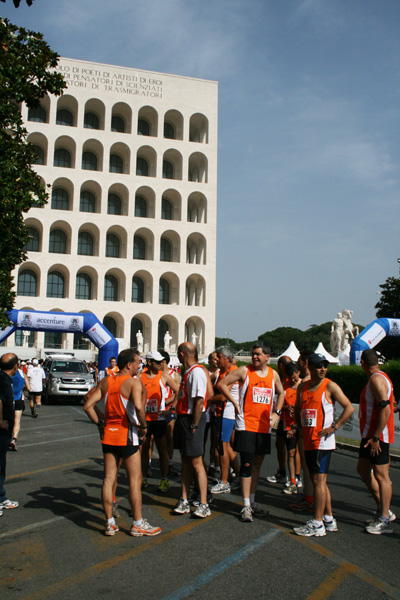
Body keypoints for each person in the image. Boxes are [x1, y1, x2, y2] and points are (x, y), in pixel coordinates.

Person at [83, 348, 161, 537]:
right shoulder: (133, 382)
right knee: (135, 480)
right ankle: (137, 523)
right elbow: (140, 408)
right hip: (127, 434)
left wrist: (101, 423)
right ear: (129, 365)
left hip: (109, 435)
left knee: (109, 479)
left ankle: (110, 523)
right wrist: (143, 426)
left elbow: (87, 405)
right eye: (137, 363)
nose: (139, 366)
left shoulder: (106, 381)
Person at [218, 343, 285, 522]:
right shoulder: (244, 371)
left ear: (267, 357)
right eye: (253, 354)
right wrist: (235, 402)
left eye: (258, 354)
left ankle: (252, 501)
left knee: (257, 465)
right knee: (246, 465)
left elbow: (282, 393)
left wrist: (276, 412)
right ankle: (246, 506)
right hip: (246, 425)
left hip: (264, 427)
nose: (254, 357)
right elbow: (222, 384)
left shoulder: (273, 375)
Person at [291, 353, 354, 537]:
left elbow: (348, 407)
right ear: (310, 367)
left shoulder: (330, 385)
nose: (323, 369)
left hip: (322, 442)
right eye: (319, 366)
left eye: (325, 366)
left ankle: (317, 523)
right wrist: (298, 426)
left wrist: (334, 427)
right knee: (320, 482)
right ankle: (328, 518)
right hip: (309, 440)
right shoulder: (303, 386)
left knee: (319, 481)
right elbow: (298, 408)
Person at [357, 349, 396, 534]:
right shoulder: (378, 378)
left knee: (381, 474)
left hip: (377, 437)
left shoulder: (376, 379)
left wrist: (376, 437)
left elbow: (386, 410)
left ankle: (385, 518)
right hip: (369, 435)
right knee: (363, 469)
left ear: (362, 362)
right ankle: (383, 508)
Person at [173, 342, 211, 518]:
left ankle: (203, 503)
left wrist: (194, 425)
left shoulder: (196, 372)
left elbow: (199, 401)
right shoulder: (187, 372)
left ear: (182, 355)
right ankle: (184, 499)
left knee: (196, 461)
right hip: (184, 418)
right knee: (186, 460)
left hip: (191, 419)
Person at [140, 350, 179, 493]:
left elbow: (179, 391)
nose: (161, 364)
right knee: (144, 449)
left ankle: (164, 480)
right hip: (144, 419)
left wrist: (171, 408)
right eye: (158, 362)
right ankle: (143, 478)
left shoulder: (164, 376)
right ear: (149, 363)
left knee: (162, 450)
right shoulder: (140, 377)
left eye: (162, 361)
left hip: (159, 419)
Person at [210, 346, 240, 494]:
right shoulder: (223, 373)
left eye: (219, 357)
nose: (217, 360)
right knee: (225, 446)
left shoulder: (232, 373)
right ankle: (239, 476)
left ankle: (224, 481)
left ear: (227, 358)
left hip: (227, 413)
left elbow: (222, 397)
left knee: (223, 446)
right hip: (222, 413)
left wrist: (208, 399)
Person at [266, 355, 292, 485]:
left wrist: (282, 408)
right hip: (283, 417)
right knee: (281, 444)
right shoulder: (283, 379)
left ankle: (291, 475)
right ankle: (284, 473)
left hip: (289, 418)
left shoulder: (290, 380)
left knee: (291, 449)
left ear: (280, 366)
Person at [0, 353, 20, 513]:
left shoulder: (3, 378)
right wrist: (1, 420)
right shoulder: (3, 380)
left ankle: (1, 497)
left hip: (4, 430)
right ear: (15, 366)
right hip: (1, 429)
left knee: (1, 465)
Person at [281, 362, 302, 495]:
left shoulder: (304, 385)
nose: (293, 381)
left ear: (299, 373)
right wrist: (286, 408)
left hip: (302, 425)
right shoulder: (284, 386)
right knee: (291, 453)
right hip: (288, 424)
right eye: (290, 378)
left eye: (295, 378)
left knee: (301, 453)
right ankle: (292, 480)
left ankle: (299, 477)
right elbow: (278, 405)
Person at [10, 359, 31, 451]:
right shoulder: (23, 374)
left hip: (7, 399)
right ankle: (14, 439)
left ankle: (7, 438)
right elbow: (29, 388)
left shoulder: (4, 374)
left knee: (6, 419)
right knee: (17, 420)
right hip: (19, 399)